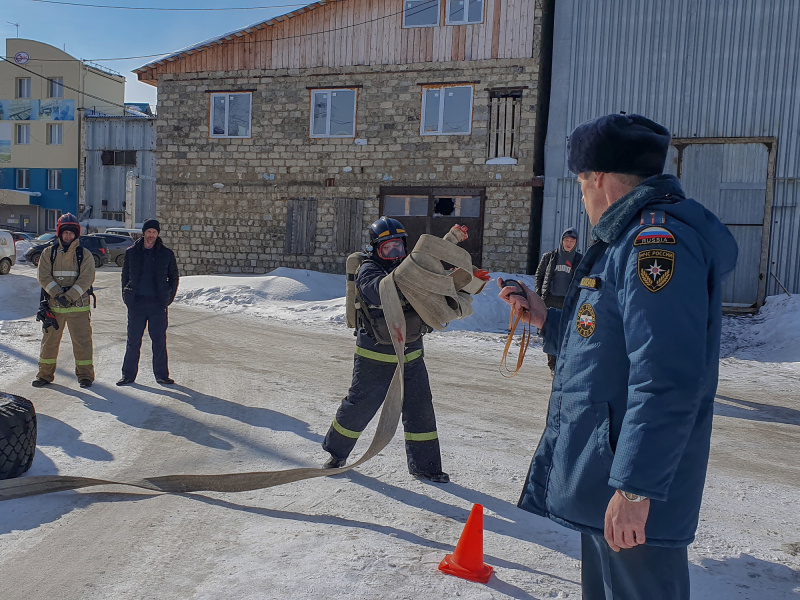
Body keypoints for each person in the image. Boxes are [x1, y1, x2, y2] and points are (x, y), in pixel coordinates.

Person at [499, 113, 737, 599]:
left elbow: (666, 376)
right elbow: (606, 343)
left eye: (581, 183)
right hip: (607, 477)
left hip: (631, 488)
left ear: (599, 179)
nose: (582, 197)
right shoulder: (622, 242)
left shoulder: (654, 244)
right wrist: (546, 320)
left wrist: (634, 488)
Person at [322, 216, 449, 483]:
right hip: (375, 356)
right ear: (375, 249)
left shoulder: (408, 268)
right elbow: (376, 291)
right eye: (387, 249)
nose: (394, 254)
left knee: (419, 408)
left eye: (398, 248)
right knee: (360, 406)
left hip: (410, 354)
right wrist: (405, 286)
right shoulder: (368, 270)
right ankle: (336, 453)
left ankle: (426, 467)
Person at [32, 213, 96, 389]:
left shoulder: (85, 254)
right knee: (49, 344)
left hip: (79, 309)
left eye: (72, 233)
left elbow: (86, 278)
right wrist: (58, 294)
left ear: (77, 234)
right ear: (60, 233)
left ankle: (85, 376)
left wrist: (68, 297)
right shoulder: (48, 253)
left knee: (82, 343)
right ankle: (44, 375)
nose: (68, 236)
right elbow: (43, 276)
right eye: (65, 232)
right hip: (53, 309)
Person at [117, 219, 179, 386]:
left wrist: (167, 298)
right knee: (133, 340)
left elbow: (174, 278)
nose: (151, 235)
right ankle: (128, 375)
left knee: (159, 340)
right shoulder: (132, 252)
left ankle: (161, 375)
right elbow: (125, 276)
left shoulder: (166, 254)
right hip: (136, 304)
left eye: (154, 232)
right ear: (144, 232)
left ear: (158, 234)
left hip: (157, 305)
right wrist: (127, 295)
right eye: (149, 232)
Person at [534, 227, 583, 373]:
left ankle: (562, 364)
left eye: (572, 241)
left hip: (567, 302)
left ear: (576, 243)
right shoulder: (550, 257)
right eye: (566, 240)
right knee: (550, 333)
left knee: (565, 334)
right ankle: (553, 366)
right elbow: (539, 275)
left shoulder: (579, 260)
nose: (568, 243)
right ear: (562, 241)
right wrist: (538, 294)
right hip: (550, 300)